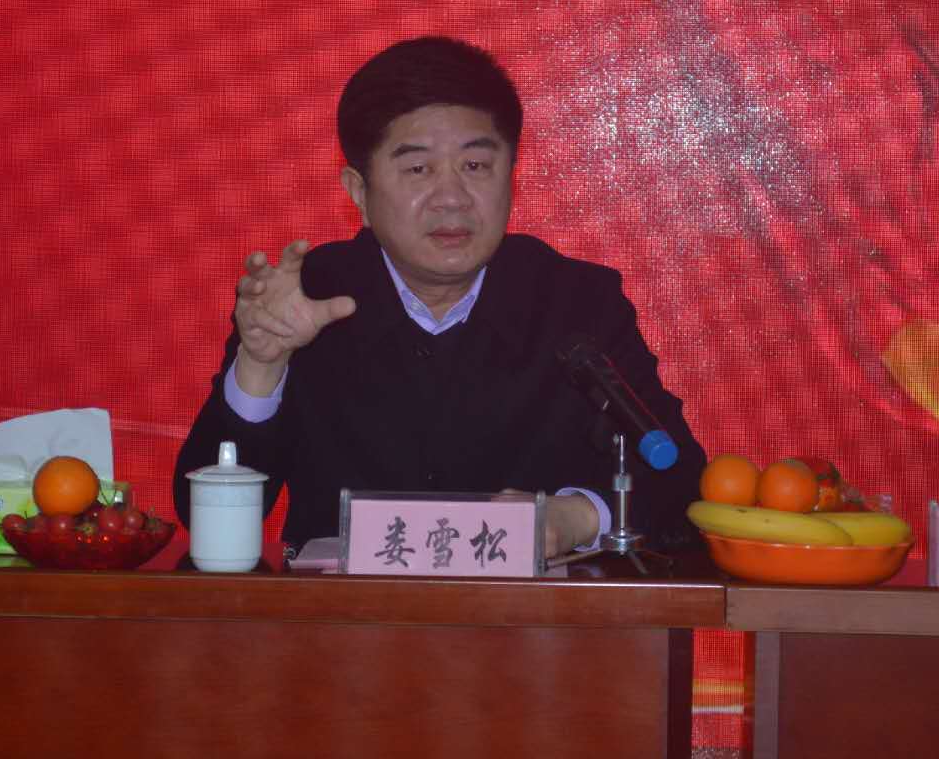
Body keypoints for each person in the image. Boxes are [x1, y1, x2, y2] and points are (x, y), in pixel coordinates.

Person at [174, 37, 705, 559]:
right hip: (340, 615)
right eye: (418, 169)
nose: (451, 198)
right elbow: (199, 516)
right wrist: (262, 366)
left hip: (532, 616)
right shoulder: (306, 299)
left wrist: (577, 516)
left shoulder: (577, 302)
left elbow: (679, 476)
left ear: (511, 176)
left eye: (475, 166)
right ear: (359, 192)